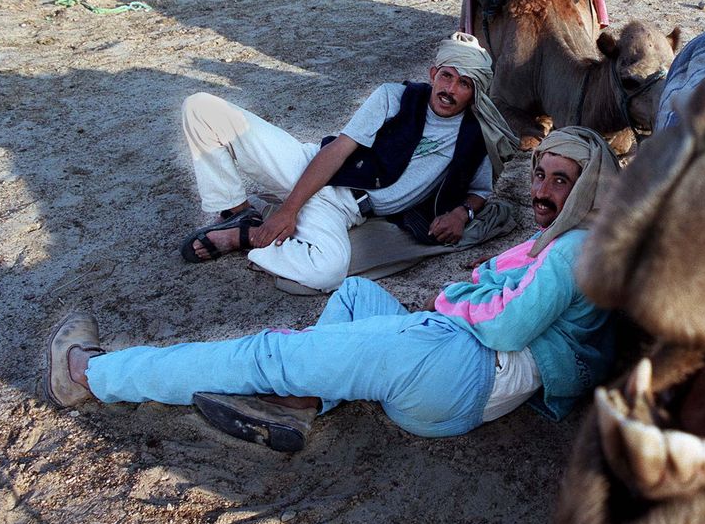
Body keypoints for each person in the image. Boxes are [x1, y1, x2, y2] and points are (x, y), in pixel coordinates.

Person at [42, 128, 619, 452]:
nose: (542, 191)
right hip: (458, 371)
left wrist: (457, 301)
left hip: (459, 367)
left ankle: (92, 376)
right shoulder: (579, 239)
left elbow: (505, 325)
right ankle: (302, 403)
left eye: (560, 181)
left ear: (589, 188)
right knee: (351, 298)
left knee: (270, 352)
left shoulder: (573, 249)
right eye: (540, 175)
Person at [178, 32, 519, 295]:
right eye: (447, 76)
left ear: (476, 92)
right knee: (201, 107)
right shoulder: (395, 97)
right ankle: (236, 211)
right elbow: (338, 150)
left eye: (464, 84)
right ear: (433, 74)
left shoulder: (477, 136)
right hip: (310, 168)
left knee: (327, 272)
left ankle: (244, 236)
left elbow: (478, 190)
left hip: (344, 210)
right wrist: (289, 209)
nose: (450, 89)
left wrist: (463, 213)